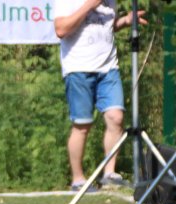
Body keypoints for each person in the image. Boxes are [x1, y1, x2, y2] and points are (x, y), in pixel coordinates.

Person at [53, 0, 147, 191]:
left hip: (108, 68)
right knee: (82, 125)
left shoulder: (110, 2)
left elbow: (106, 26)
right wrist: (89, 5)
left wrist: (125, 21)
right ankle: (78, 180)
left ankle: (109, 174)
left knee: (116, 117)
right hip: (78, 68)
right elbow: (61, 30)